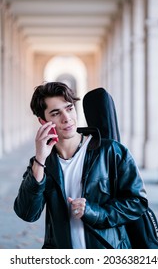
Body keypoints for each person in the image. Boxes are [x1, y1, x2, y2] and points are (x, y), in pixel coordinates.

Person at [14, 81, 148, 249]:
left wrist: (94, 213)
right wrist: (40, 160)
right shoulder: (42, 164)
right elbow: (27, 213)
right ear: (43, 121)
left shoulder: (111, 151)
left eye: (69, 108)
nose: (66, 118)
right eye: (56, 113)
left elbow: (137, 202)